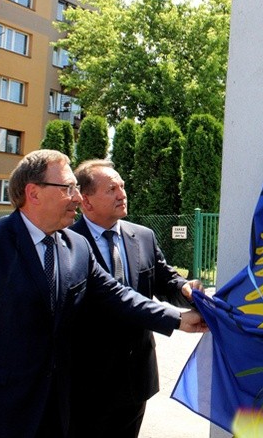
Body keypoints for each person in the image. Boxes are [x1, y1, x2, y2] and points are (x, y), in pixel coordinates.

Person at [0, 150, 207, 438]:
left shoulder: (76, 247)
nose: (77, 197)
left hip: (59, 413)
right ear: (33, 193)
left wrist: (178, 319)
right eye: (68, 188)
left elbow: (118, 296)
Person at [69, 159, 203, 438]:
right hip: (85, 382)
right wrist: (177, 320)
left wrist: (185, 289)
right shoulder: (67, 241)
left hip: (135, 378)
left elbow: (165, 281)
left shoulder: (142, 236)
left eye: (122, 186)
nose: (122, 194)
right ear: (86, 201)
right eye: (111, 189)